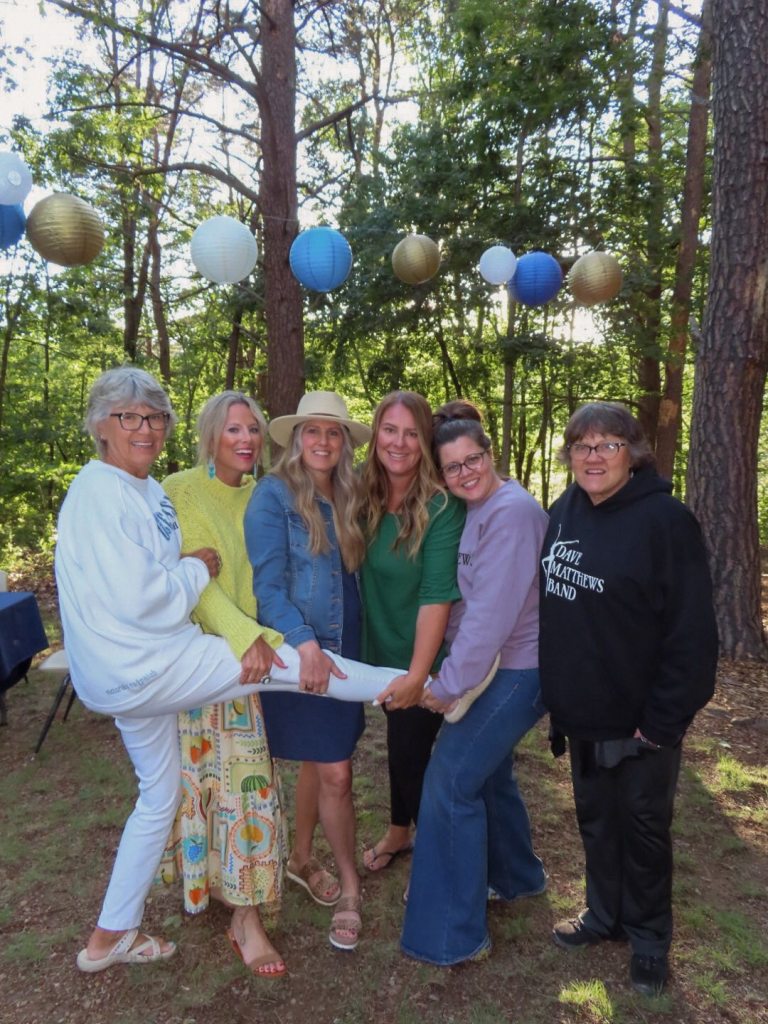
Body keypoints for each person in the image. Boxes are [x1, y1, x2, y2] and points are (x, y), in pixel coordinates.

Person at [56, 368, 395, 973]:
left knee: (162, 796)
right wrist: (214, 591)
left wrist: (203, 582)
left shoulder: (159, 490)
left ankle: (108, 936)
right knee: (281, 700)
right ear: (101, 427)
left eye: (155, 418)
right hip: (176, 662)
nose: (145, 429)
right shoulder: (130, 491)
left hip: (166, 663)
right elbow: (155, 593)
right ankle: (412, 688)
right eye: (129, 417)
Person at [538, 401, 717, 997]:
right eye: (581, 445)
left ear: (633, 454)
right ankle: (604, 914)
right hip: (584, 712)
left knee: (643, 830)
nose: (593, 456)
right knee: (596, 820)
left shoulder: (667, 523)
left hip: (643, 721)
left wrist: (662, 722)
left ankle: (649, 939)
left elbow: (693, 635)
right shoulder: (564, 510)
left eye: (607, 445)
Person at [399, 402, 548, 965]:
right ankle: (517, 876)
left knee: (450, 782)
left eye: (473, 460)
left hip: (519, 669)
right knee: (488, 774)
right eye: (453, 467)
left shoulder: (511, 513)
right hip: (499, 665)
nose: (466, 473)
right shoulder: (476, 509)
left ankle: (451, 935)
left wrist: (449, 683)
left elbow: (491, 615)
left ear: (491, 453)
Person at [160, 391, 286, 977]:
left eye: (253, 429)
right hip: (200, 658)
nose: (246, 439)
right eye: (234, 429)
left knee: (245, 785)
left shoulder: (267, 495)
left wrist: (269, 638)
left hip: (252, 662)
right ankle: (222, 893)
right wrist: (244, 637)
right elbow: (198, 582)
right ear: (211, 435)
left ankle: (245, 911)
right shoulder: (179, 490)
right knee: (203, 781)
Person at [245, 391, 372, 952]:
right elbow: (267, 587)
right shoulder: (273, 495)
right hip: (304, 653)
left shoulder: (350, 493)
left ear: (344, 443)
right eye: (313, 431)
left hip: (346, 647)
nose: (323, 440)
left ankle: (300, 856)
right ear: (296, 439)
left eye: (333, 431)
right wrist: (304, 645)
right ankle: (350, 886)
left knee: (322, 762)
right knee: (337, 771)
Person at [360, 391, 465, 873]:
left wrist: (419, 675)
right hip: (383, 649)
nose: (398, 443)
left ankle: (437, 866)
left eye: (410, 433)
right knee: (400, 745)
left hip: (427, 657)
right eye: (389, 430)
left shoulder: (441, 506)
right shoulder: (364, 493)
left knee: (414, 757)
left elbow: (436, 595)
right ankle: (399, 830)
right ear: (375, 434)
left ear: (425, 441)